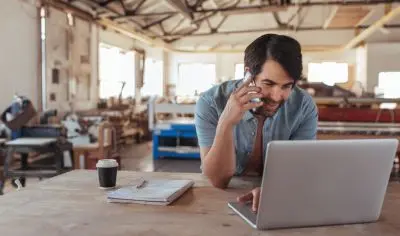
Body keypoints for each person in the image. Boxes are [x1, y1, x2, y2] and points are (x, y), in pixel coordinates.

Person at [194, 33, 318, 212]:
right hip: (220, 200)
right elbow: (217, 180)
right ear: (248, 75)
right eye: (268, 84)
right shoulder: (211, 102)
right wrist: (226, 123)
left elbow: (300, 171)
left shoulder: (303, 106)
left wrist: (272, 191)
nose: (277, 96)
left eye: (286, 86)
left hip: (278, 199)